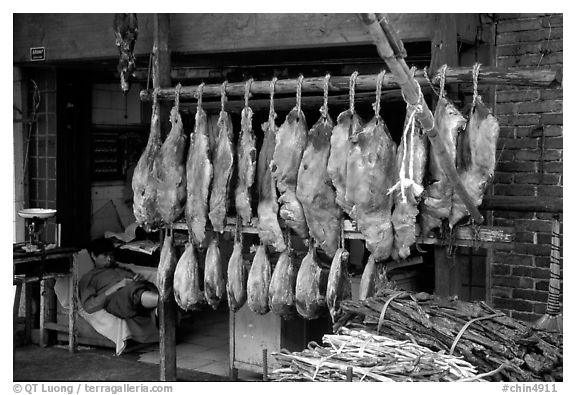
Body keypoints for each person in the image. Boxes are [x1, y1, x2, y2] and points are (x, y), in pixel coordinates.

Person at [79, 237, 159, 320]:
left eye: (111, 255)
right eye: (105, 255)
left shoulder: (120, 268)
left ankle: (162, 305)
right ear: (93, 256)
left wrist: (136, 278)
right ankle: (164, 301)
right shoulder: (89, 278)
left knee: (150, 288)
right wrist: (115, 288)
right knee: (132, 292)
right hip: (118, 298)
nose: (109, 259)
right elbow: (89, 307)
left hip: (139, 290)